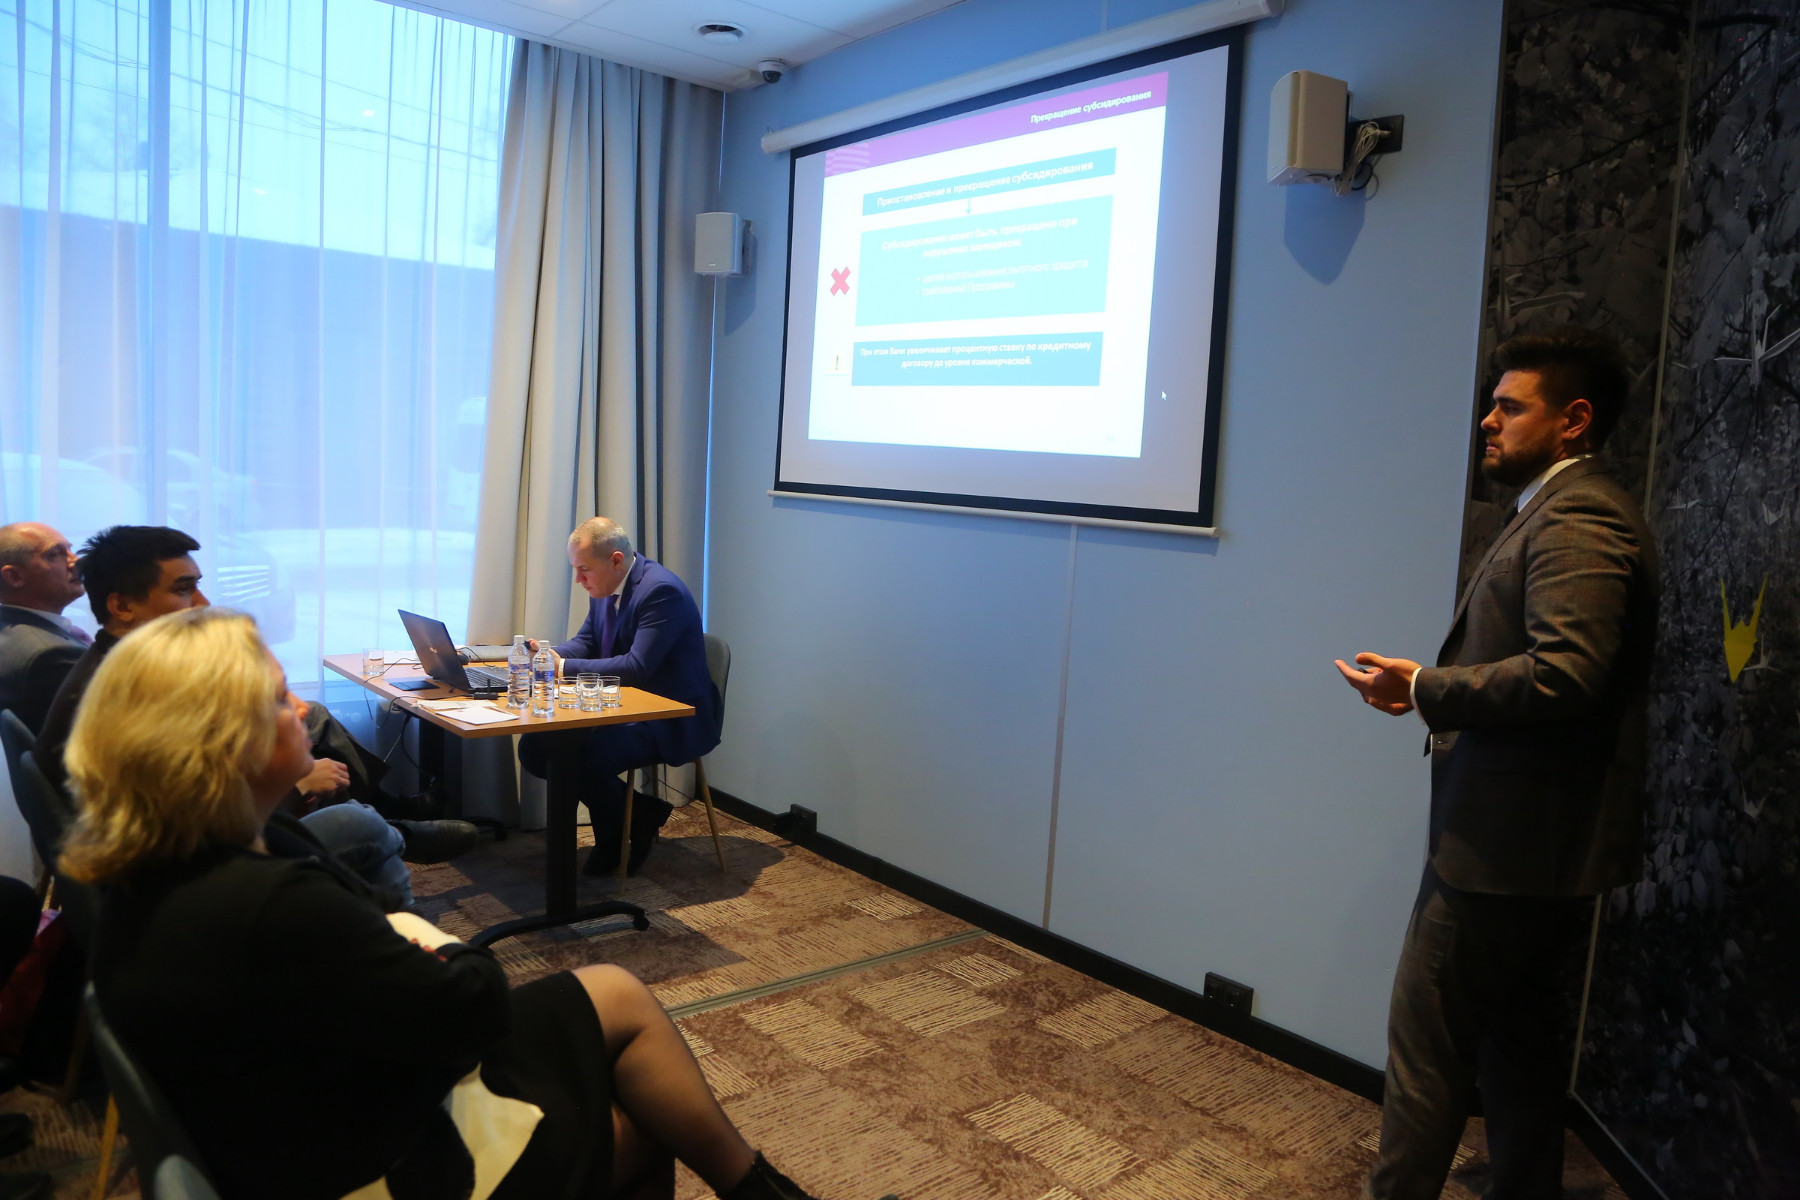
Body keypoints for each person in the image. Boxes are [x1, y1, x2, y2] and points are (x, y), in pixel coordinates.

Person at [59, 606, 879, 1200]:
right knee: (636, 1119)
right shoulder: (264, 899)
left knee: (615, 990)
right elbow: (468, 1007)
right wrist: (434, 943)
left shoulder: (173, 859)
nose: (302, 707)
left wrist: (404, 940)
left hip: (318, 1104)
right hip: (369, 1153)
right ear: (217, 743)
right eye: (277, 700)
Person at [1334, 327, 1658, 1200]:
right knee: (1518, 1040)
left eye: (1510, 406)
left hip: (1506, 852)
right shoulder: (1556, 507)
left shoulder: (1580, 515)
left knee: (1427, 1049)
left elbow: (1567, 673)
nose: (1487, 419)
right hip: (1532, 847)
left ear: (1573, 420)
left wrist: (1427, 687)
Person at [36, 526, 476, 908]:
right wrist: (295, 787)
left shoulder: (126, 667)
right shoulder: (122, 696)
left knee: (311, 720)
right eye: (184, 589)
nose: (203, 602)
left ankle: (385, 835)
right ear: (122, 606)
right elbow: (186, 824)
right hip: (179, 877)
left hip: (169, 858)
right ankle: (394, 866)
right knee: (356, 822)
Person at [519, 518, 722, 875]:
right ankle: (641, 813)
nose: (579, 580)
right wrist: (549, 655)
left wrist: (561, 667)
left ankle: (614, 838)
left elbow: (636, 667)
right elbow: (587, 641)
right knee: (536, 748)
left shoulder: (660, 592)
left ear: (615, 560)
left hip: (671, 715)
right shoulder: (606, 587)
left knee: (583, 756)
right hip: (625, 707)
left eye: (584, 570)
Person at [0, 522, 88, 734]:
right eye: (55, 554)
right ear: (14, 576)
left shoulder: (10, 629)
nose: (76, 561)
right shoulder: (51, 655)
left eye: (70, 550)